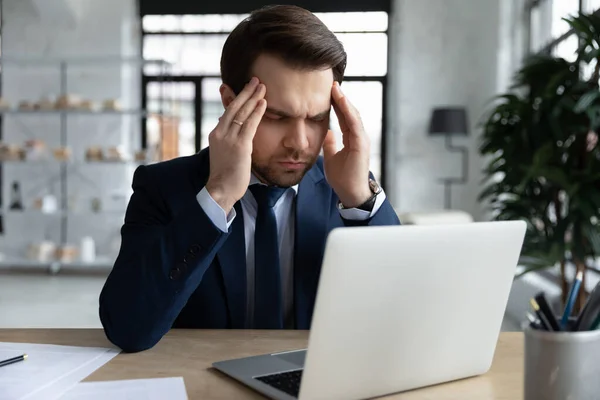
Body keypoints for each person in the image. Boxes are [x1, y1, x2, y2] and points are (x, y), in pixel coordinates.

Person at [99, 4, 400, 353]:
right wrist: (218, 196)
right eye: (275, 116)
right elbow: (128, 329)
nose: (300, 143)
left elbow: (405, 314)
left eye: (317, 118)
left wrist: (361, 199)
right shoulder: (163, 188)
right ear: (230, 101)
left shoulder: (348, 188)